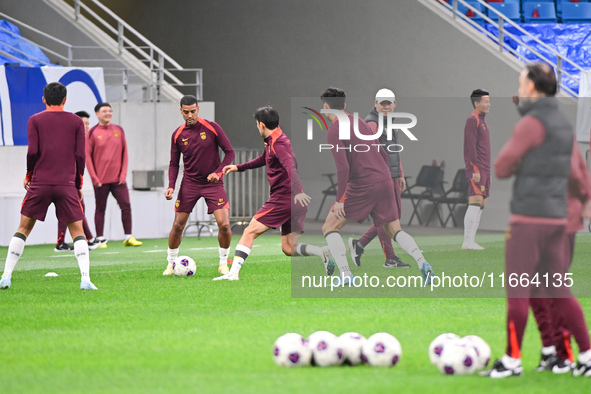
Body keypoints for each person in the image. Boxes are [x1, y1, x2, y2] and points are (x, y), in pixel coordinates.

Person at [484, 63, 591, 378]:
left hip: (529, 218)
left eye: (521, 83)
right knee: (559, 289)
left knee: (518, 290)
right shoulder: (563, 123)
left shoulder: (532, 123)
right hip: (558, 219)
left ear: (532, 87)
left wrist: (522, 164)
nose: (519, 88)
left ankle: (512, 360)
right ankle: (585, 356)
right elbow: (573, 170)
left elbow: (502, 167)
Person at [318, 87, 432, 286]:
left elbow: (343, 167)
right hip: (385, 179)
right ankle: (423, 262)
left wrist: (339, 199)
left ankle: (346, 275)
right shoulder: (360, 122)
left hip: (363, 184)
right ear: (344, 105)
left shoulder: (335, 130)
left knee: (329, 226)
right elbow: (382, 151)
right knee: (394, 228)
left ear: (327, 107)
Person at [214, 106, 335, 281]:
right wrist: (238, 167)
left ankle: (233, 273)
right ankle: (321, 252)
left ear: (261, 124)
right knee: (288, 248)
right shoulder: (276, 138)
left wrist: (298, 191)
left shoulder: (278, 143)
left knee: (249, 232)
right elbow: (264, 158)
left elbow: (290, 167)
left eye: (257, 124)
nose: (257, 127)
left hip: (285, 198)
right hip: (293, 201)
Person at [0, 82, 97, 290]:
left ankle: (6, 276)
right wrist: (78, 182)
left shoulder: (34, 120)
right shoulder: (76, 122)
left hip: (40, 182)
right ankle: (85, 279)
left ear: (44, 99)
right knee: (77, 231)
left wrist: (29, 175)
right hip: (67, 183)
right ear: (65, 100)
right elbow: (80, 155)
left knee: (23, 228)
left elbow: (32, 152)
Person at [163, 95, 235, 275]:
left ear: (198, 110)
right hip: (190, 184)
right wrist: (171, 185)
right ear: (181, 111)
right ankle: (171, 264)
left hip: (213, 184)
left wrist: (218, 173)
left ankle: (223, 263)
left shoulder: (212, 127)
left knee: (224, 224)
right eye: (185, 112)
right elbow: (173, 163)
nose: (189, 115)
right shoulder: (177, 134)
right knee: (178, 225)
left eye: (192, 111)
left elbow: (229, 153)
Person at [348, 88, 410, 268]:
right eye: (382, 103)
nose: (386, 107)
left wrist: (400, 173)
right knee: (386, 218)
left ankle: (359, 244)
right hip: (380, 177)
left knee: (393, 216)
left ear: (394, 104)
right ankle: (390, 258)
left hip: (391, 175)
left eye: (388, 103)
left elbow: (393, 149)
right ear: (375, 104)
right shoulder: (372, 124)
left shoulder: (390, 122)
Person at [86, 102, 142, 248]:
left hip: (119, 180)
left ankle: (128, 237)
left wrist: (123, 175)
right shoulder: (92, 133)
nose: (108, 113)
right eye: (104, 111)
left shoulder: (119, 130)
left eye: (110, 111)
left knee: (126, 205)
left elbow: (125, 154)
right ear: (97, 114)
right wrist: (94, 178)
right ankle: (100, 238)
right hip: (100, 180)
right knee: (100, 208)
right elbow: (87, 158)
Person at [55, 111, 104, 252]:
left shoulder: (78, 139)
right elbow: (77, 163)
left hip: (68, 182)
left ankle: (63, 242)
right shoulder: (71, 140)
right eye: (84, 123)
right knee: (76, 209)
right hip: (65, 182)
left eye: (88, 123)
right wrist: (77, 184)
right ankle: (88, 239)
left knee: (70, 210)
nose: (87, 126)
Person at [462, 89, 491, 250]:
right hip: (477, 168)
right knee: (475, 201)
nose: (489, 105)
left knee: (482, 202)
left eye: (489, 101)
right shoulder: (472, 120)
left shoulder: (482, 120)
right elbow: (470, 147)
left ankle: (471, 240)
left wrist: (488, 172)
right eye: (486, 102)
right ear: (476, 103)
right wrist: (475, 169)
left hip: (485, 168)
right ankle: (467, 241)